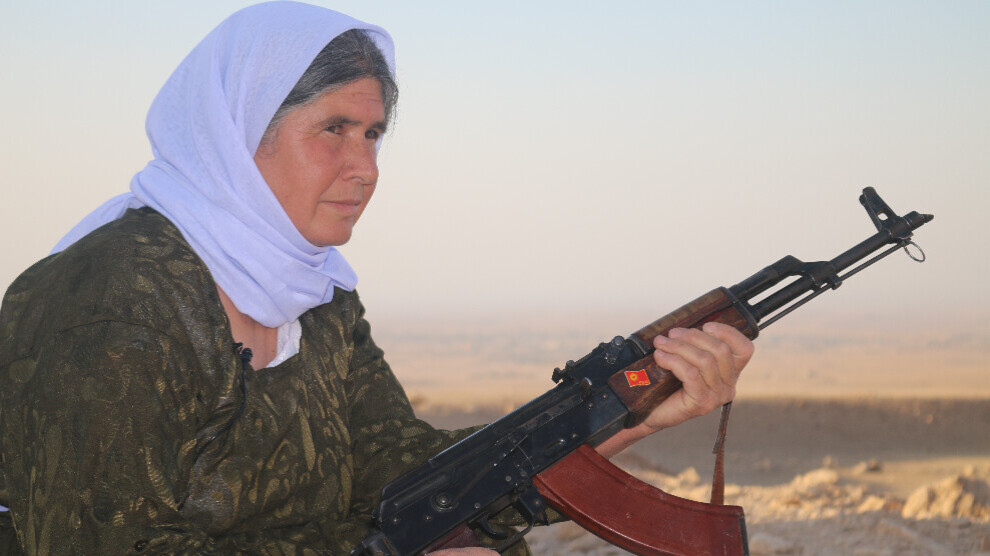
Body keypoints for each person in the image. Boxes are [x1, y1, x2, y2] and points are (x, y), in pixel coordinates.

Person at [0, 2, 753, 554]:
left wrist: (630, 410)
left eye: (373, 135)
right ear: (237, 132)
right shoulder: (107, 304)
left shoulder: (319, 298)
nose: (365, 168)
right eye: (333, 130)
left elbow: (408, 479)